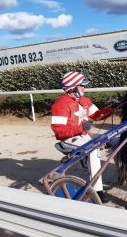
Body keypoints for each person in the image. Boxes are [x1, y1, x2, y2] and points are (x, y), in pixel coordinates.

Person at [51, 71, 117, 203]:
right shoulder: (60, 104)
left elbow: (97, 115)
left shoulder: (84, 100)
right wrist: (81, 128)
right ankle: (97, 190)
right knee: (93, 150)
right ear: (73, 88)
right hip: (68, 140)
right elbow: (59, 131)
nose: (84, 88)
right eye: (81, 86)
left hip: (85, 136)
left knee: (116, 137)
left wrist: (111, 108)